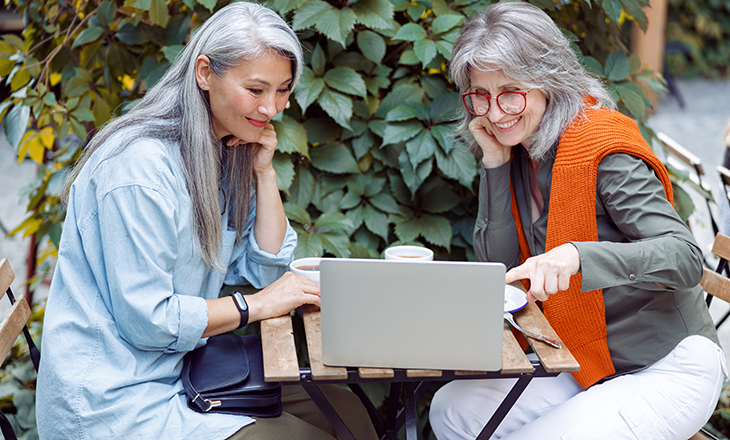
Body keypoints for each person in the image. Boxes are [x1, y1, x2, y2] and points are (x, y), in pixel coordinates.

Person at [35, 3, 377, 440]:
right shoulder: (139, 171)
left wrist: (264, 172)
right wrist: (257, 306)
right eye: (256, 90)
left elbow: (261, 268)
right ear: (204, 73)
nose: (272, 107)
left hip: (184, 368)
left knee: (350, 416)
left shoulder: (217, 149)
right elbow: (149, 321)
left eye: (284, 89)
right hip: (115, 400)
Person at [429, 2, 726, 439]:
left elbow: (683, 257)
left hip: (666, 364)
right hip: (581, 355)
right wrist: (493, 164)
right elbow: (501, 269)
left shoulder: (603, 150)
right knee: (451, 410)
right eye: (480, 95)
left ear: (549, 81)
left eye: (510, 92)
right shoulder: (517, 147)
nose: (494, 113)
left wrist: (576, 257)